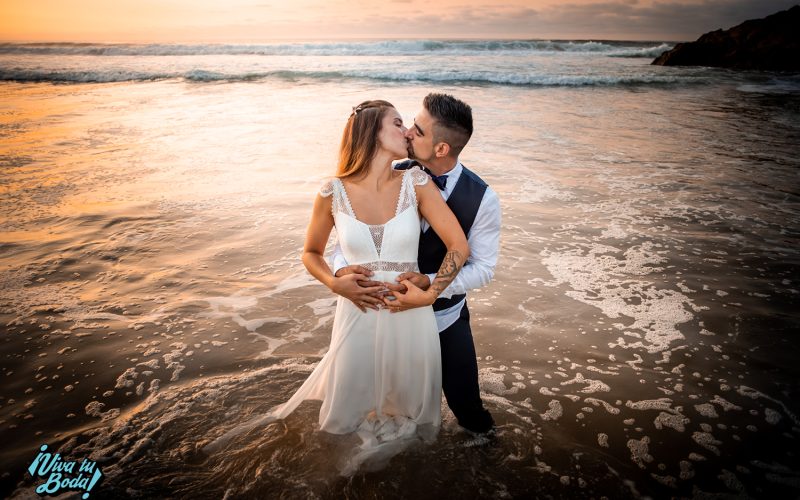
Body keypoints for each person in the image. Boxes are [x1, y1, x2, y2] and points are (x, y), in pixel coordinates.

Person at [202, 100, 469, 467]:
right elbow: (311, 252)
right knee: (346, 416)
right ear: (372, 132)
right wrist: (333, 283)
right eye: (397, 123)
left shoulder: (416, 182)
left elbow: (459, 246)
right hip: (356, 310)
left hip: (409, 313)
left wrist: (428, 296)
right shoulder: (333, 191)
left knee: (412, 415)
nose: (406, 131)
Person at [332, 93, 499, 436]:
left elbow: (483, 268)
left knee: (467, 407)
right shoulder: (391, 173)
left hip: (444, 318)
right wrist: (339, 272)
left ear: (441, 149)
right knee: (380, 402)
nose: (407, 132)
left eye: (418, 130)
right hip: (386, 319)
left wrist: (430, 285)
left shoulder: (483, 198)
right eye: (407, 124)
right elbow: (348, 240)